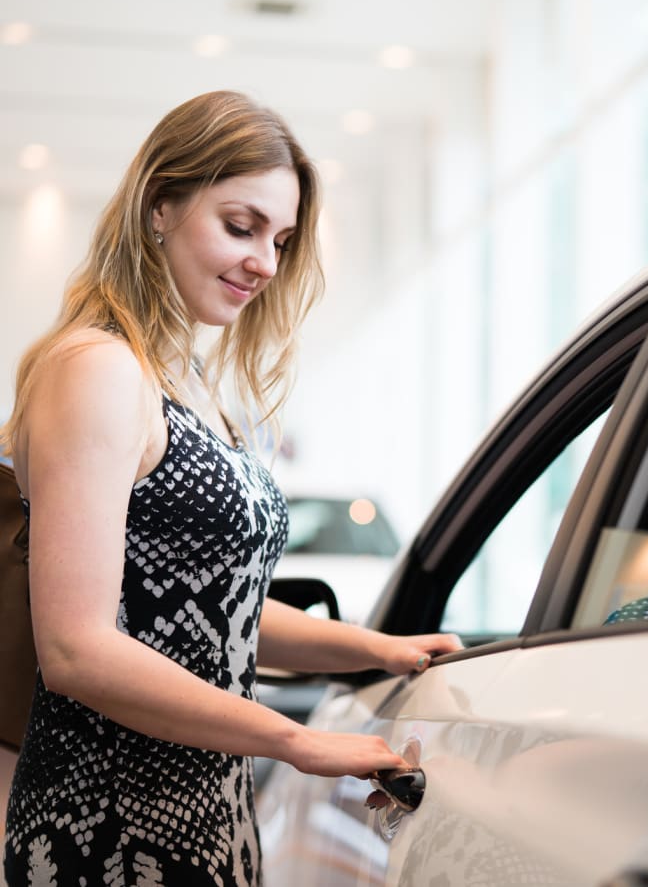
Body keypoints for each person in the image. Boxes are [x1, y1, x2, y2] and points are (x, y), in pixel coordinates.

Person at [1, 90, 461, 887]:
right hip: (112, 824)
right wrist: (293, 738)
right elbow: (78, 648)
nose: (265, 262)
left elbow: (208, 606)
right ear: (159, 208)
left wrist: (373, 648)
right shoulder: (97, 369)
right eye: (240, 227)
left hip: (205, 807)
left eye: (279, 240)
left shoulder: (185, 380)